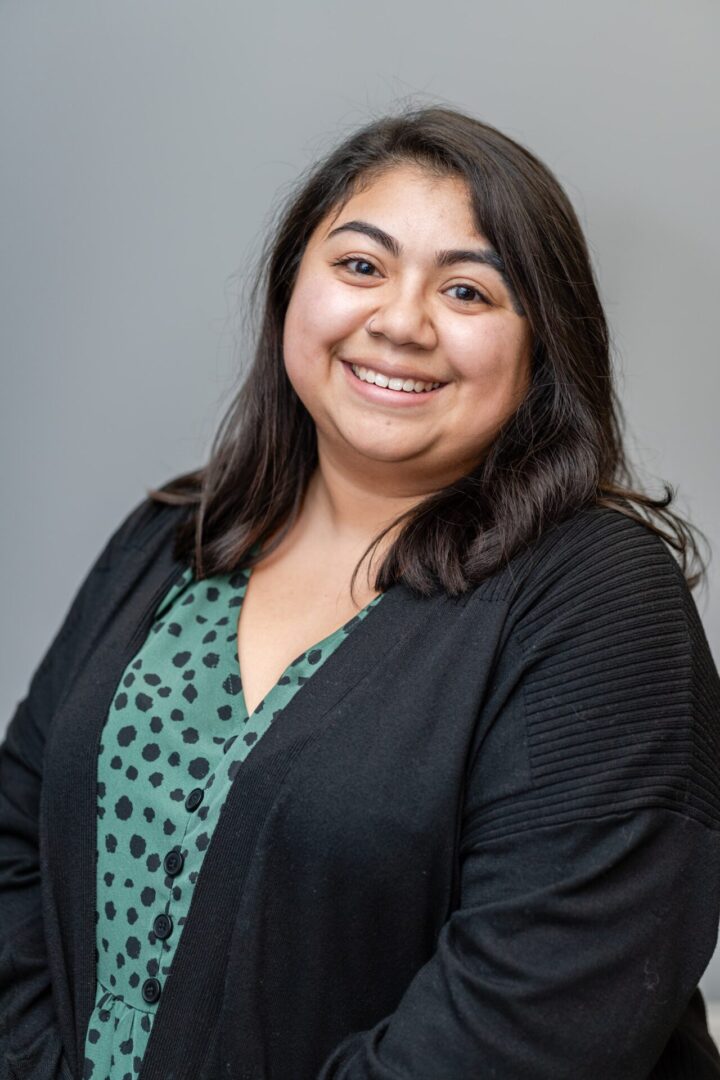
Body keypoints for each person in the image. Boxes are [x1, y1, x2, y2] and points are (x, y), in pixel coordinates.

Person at [1, 103, 720, 1080]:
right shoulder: (177, 540)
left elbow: (532, 1024)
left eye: (468, 291)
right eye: (361, 266)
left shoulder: (598, 600)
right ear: (293, 288)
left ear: (542, 347)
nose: (399, 321)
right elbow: (14, 841)